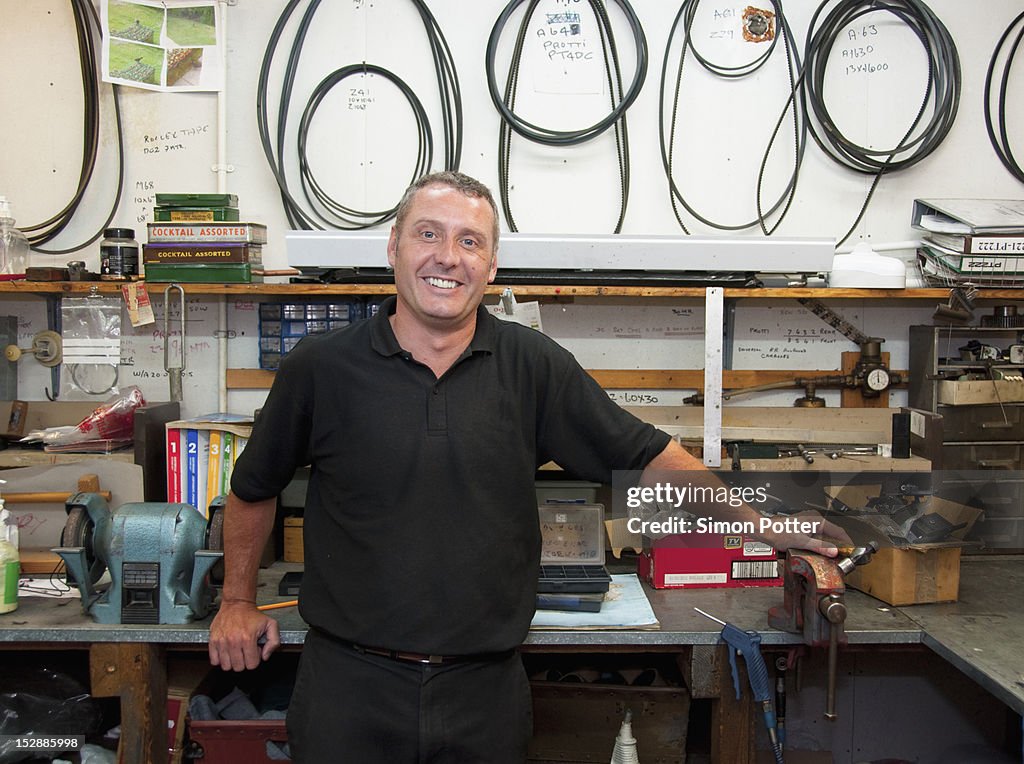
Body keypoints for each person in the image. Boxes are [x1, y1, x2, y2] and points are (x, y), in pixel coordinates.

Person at [208, 170, 845, 763]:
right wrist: (236, 599)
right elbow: (252, 488)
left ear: (490, 266)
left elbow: (645, 456)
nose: (447, 256)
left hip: (484, 692)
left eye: (469, 241)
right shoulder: (321, 369)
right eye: (428, 234)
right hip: (348, 686)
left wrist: (763, 525)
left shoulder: (532, 366)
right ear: (394, 247)